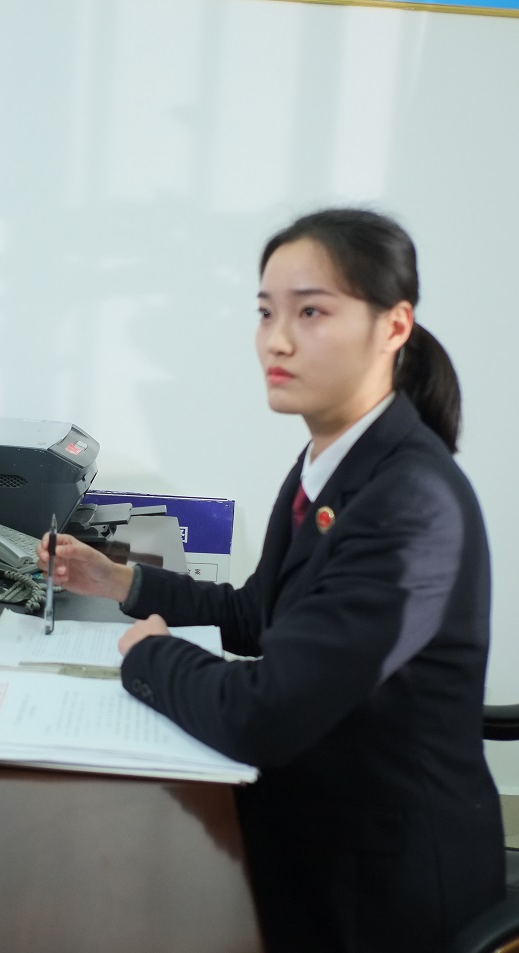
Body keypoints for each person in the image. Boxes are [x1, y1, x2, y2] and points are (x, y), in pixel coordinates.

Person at [38, 208, 504, 952]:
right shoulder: (328, 463)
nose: (276, 339)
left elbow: (265, 713)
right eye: (265, 312)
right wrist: (122, 581)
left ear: (393, 325)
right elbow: (262, 612)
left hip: (379, 882)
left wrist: (150, 655)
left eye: (310, 312)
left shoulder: (412, 503)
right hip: (310, 816)